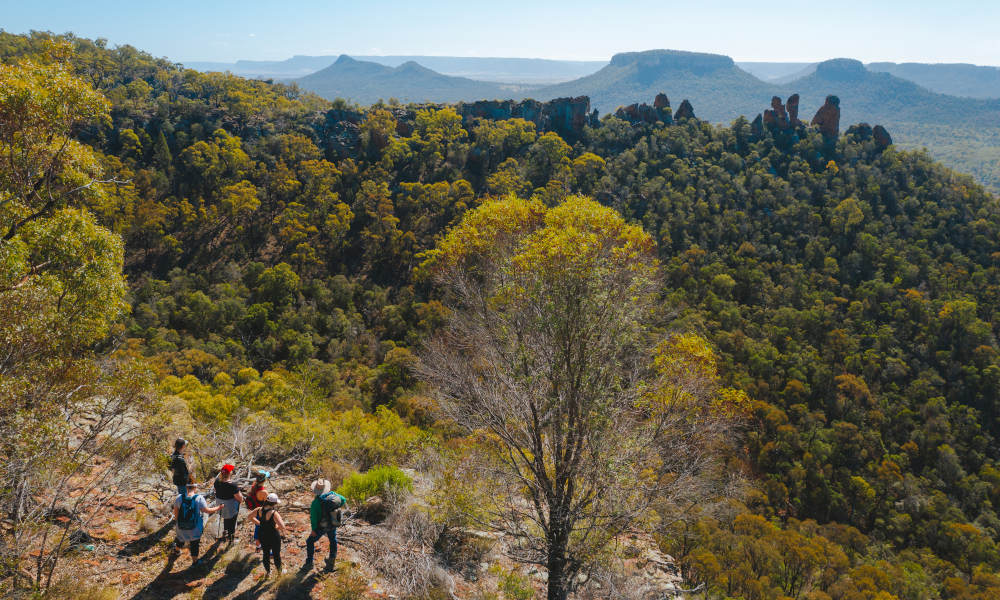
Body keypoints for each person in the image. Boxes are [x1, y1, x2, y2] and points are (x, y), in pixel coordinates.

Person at [172, 482, 223, 566]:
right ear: (195, 487)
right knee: (194, 544)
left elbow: (176, 514)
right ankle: (195, 562)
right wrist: (219, 507)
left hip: (181, 527)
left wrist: (180, 524)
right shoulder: (199, 498)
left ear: (186, 487)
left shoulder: (179, 497)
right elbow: (207, 511)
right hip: (194, 528)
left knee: (180, 539)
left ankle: (177, 550)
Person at [305, 479, 346, 572]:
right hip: (332, 523)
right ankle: (331, 562)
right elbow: (343, 500)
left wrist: (314, 530)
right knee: (333, 540)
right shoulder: (334, 495)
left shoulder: (315, 503)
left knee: (309, 541)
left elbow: (314, 519)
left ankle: (309, 563)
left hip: (321, 526)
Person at [249, 492, 287, 579]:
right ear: (274, 503)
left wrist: (259, 523)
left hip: (262, 535)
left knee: (266, 554)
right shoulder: (274, 513)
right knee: (276, 555)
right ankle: (279, 573)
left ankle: (268, 572)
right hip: (273, 536)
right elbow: (282, 526)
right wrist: (275, 527)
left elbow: (249, 517)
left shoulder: (259, 510)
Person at [213, 464, 244, 544]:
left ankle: (225, 531)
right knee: (232, 522)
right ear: (230, 473)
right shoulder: (232, 485)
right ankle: (231, 539)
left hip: (220, 506)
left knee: (226, 519)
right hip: (230, 508)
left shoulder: (216, 482)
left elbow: (216, 491)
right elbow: (240, 499)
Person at [245, 470, 270, 551]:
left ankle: (259, 546)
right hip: (262, 513)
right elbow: (268, 505)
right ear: (265, 480)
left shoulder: (253, 486)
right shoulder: (264, 492)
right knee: (265, 529)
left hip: (255, 512)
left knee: (257, 528)